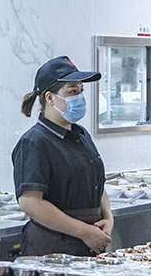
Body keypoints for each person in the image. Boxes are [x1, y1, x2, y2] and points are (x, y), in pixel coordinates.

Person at [12, 56, 114, 256]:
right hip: (54, 250)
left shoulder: (81, 135)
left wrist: (108, 218)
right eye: (72, 91)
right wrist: (85, 232)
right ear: (50, 98)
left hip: (90, 243)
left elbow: (96, 183)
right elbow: (30, 202)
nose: (80, 97)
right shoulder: (34, 142)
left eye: (81, 91)